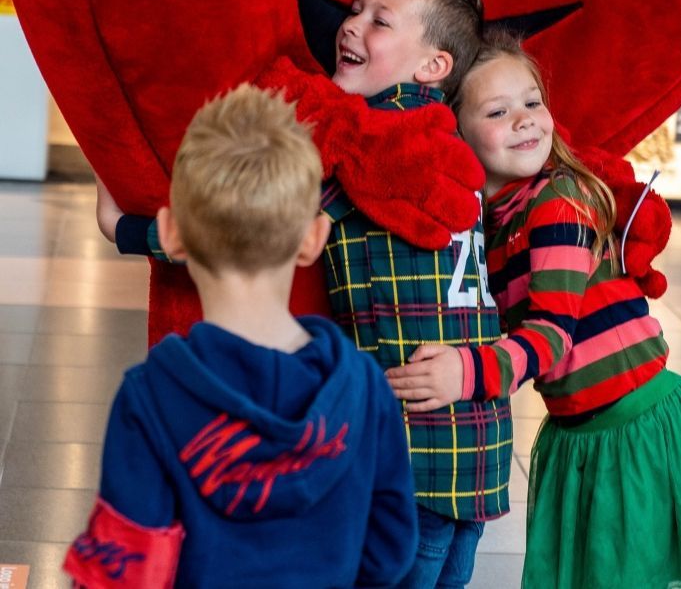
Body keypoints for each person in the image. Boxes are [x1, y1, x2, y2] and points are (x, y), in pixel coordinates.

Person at [386, 31, 681, 589]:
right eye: (499, 111)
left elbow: (551, 338)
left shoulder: (556, 203)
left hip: (634, 431)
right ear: (456, 132)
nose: (525, 119)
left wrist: (466, 372)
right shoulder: (493, 222)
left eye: (533, 101)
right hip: (579, 434)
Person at [64, 84, 417, 589]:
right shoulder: (363, 388)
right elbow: (388, 555)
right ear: (313, 238)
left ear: (170, 234)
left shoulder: (150, 399)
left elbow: (123, 572)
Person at [320, 0, 512, 589]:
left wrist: (135, 228)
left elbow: (250, 225)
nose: (351, 26)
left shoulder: (367, 142)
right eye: (354, 11)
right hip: (478, 443)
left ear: (434, 65)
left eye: (380, 20)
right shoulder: (458, 144)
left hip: (409, 447)